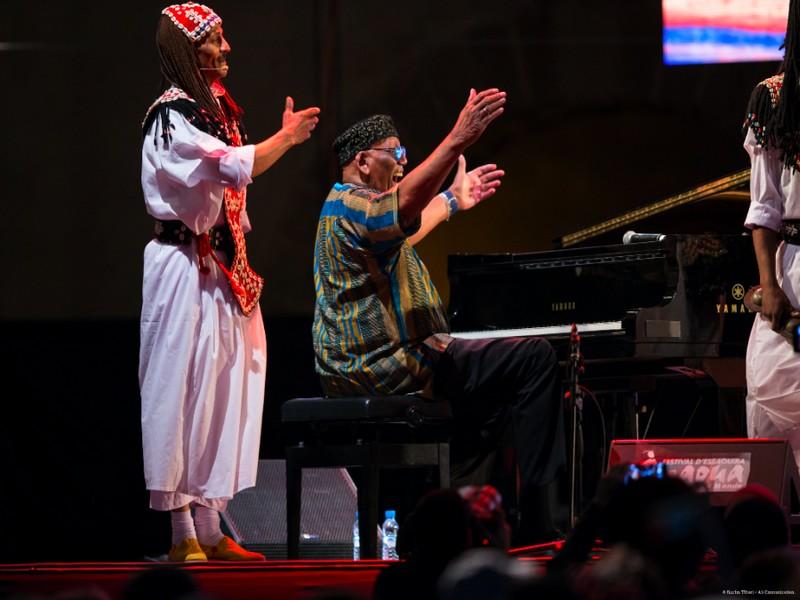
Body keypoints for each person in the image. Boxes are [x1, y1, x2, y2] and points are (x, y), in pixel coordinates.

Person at [312, 90, 566, 542]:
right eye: (396, 154)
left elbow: (409, 224)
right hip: (383, 366)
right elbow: (402, 206)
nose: (403, 164)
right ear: (364, 162)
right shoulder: (351, 202)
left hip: (382, 363)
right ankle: (540, 522)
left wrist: (451, 200)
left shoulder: (359, 216)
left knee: (491, 399)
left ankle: (466, 522)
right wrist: (456, 140)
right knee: (535, 359)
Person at [139, 2, 320, 561]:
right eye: (216, 39)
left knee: (226, 389)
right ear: (190, 51)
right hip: (181, 266)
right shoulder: (170, 117)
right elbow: (233, 165)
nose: (227, 48)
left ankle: (213, 529)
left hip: (222, 266)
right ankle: (181, 536)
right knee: (180, 391)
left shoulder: (216, 107)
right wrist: (285, 139)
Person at [742, 0, 800, 469]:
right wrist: (771, 284)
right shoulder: (776, 97)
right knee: (769, 389)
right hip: (795, 265)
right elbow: (764, 209)